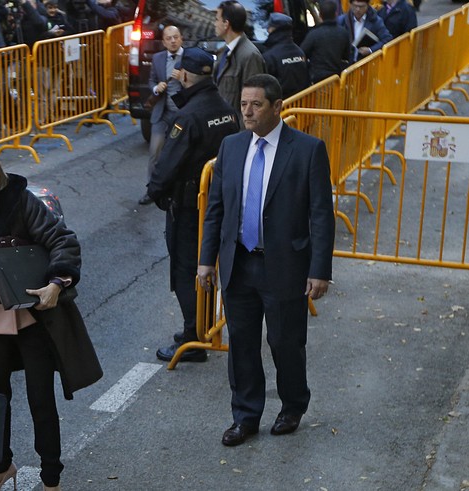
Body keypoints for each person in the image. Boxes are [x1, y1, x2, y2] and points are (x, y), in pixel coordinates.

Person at [0, 142, 102, 491]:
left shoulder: (19, 202)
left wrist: (57, 282)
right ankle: (1, 465)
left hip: (30, 320)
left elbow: (62, 240)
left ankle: (51, 478)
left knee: (41, 399)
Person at [197, 74, 335, 447]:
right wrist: (206, 259)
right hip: (239, 262)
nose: (247, 112)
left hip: (285, 265)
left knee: (284, 341)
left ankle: (292, 405)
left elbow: (321, 213)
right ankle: (245, 416)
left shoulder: (307, 150)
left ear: (277, 107)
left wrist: (320, 269)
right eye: (243, 104)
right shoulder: (231, 147)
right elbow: (217, 209)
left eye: (256, 105)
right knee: (241, 341)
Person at [146, 48, 239, 363]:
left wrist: (156, 191)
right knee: (206, 265)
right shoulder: (226, 109)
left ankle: (193, 336)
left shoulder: (188, 116)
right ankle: (204, 325)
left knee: (187, 269)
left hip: (189, 207)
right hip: (217, 203)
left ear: (183, 75)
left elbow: (167, 164)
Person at [139, 25, 183, 206]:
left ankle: (177, 191)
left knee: (179, 153)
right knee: (154, 152)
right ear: (164, 42)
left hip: (181, 114)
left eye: (176, 37)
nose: (173, 41)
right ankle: (152, 190)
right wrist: (156, 88)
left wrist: (183, 78)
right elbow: (151, 80)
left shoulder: (189, 58)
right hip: (161, 112)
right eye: (168, 38)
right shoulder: (158, 58)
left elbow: (200, 83)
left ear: (181, 38)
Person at [213, 0, 265, 129]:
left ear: (226, 24)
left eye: (217, 19)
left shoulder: (250, 55)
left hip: (236, 132)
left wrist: (243, 139)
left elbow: (254, 103)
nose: (214, 24)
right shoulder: (223, 52)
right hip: (221, 128)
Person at [300, 0, 352, 84]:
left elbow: (302, 53)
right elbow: (347, 55)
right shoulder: (343, 32)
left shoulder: (314, 34)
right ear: (335, 14)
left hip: (317, 79)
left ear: (320, 15)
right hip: (336, 79)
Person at [261, 13, 310, 99]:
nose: (268, 30)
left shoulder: (269, 56)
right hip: (301, 106)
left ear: (273, 30)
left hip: (281, 108)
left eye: (269, 28)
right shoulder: (299, 52)